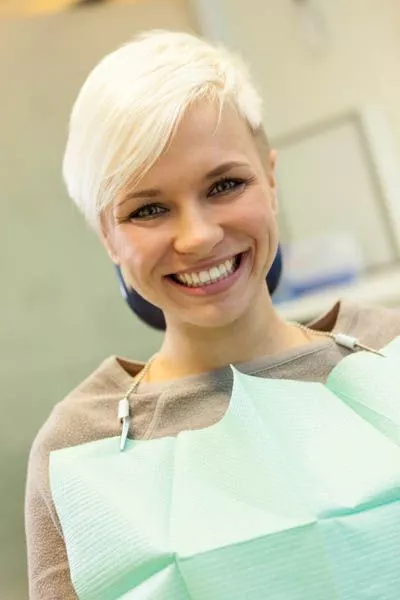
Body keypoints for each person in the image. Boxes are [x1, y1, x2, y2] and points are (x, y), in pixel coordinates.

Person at [25, 30, 400, 599]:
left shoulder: (389, 351)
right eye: (148, 209)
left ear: (271, 181)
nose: (199, 236)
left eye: (225, 184)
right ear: (107, 235)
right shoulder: (79, 447)